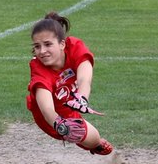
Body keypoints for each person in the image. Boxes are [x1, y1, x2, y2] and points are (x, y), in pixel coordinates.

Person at [27, 11, 113, 155]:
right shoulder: (39, 69)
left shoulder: (73, 46)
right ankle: (88, 142)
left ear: (62, 44)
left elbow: (84, 76)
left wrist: (82, 98)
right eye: (37, 46)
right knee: (88, 137)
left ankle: (88, 141)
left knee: (90, 137)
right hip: (49, 116)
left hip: (69, 103)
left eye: (48, 44)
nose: (42, 51)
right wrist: (59, 124)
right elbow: (46, 107)